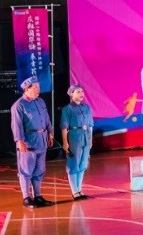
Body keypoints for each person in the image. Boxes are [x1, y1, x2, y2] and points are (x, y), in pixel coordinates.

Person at [11, 76, 54, 207]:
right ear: (26, 89)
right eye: (35, 87)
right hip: (28, 142)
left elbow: (46, 118)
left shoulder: (41, 102)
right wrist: (19, 141)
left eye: (38, 87)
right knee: (26, 171)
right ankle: (26, 198)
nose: (38, 90)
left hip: (41, 140)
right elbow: (16, 125)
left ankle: (38, 196)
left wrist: (50, 133)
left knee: (39, 170)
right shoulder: (19, 105)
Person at [59, 84, 94, 200]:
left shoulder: (87, 107)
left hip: (86, 137)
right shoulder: (67, 109)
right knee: (74, 164)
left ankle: (79, 190)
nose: (81, 94)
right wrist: (65, 142)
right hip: (74, 137)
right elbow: (64, 127)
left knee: (83, 164)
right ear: (71, 94)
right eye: (78, 92)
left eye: (82, 91)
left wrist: (90, 139)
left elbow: (90, 125)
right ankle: (74, 191)